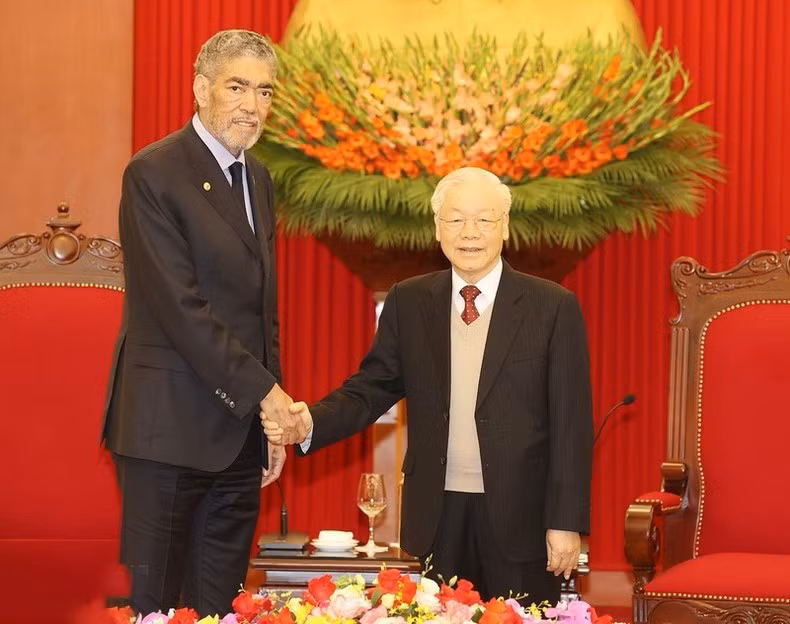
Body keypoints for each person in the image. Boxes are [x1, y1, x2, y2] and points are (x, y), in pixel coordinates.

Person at [264, 167, 593, 605]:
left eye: (484, 220)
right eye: (456, 220)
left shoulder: (552, 306)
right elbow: (370, 389)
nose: (469, 232)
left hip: (523, 519)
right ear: (438, 229)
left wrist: (565, 521)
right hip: (437, 514)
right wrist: (308, 422)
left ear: (505, 227)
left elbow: (572, 424)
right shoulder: (410, 300)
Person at [102, 29, 306, 617]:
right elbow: (180, 308)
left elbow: (262, 309)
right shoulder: (154, 173)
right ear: (200, 89)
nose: (252, 105)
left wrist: (268, 419)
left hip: (239, 435)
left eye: (264, 92)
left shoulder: (260, 180)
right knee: (158, 609)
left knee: (218, 608)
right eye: (237, 87)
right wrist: (267, 396)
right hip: (165, 431)